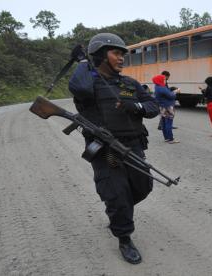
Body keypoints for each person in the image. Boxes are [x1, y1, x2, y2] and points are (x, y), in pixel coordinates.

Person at [68, 33, 159, 264]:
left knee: (143, 186)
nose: (121, 58)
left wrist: (134, 106)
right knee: (117, 193)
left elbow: (152, 106)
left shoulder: (129, 84)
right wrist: (83, 63)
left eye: (122, 54)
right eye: (116, 53)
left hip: (133, 146)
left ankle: (118, 211)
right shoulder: (89, 84)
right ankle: (124, 237)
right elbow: (79, 87)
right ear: (100, 55)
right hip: (105, 150)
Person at [153, 74, 180, 143]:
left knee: (164, 122)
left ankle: (166, 138)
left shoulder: (157, 87)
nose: (165, 80)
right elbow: (171, 96)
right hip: (168, 106)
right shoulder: (162, 88)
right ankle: (171, 139)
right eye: (164, 79)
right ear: (160, 80)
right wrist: (176, 91)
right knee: (169, 122)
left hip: (162, 106)